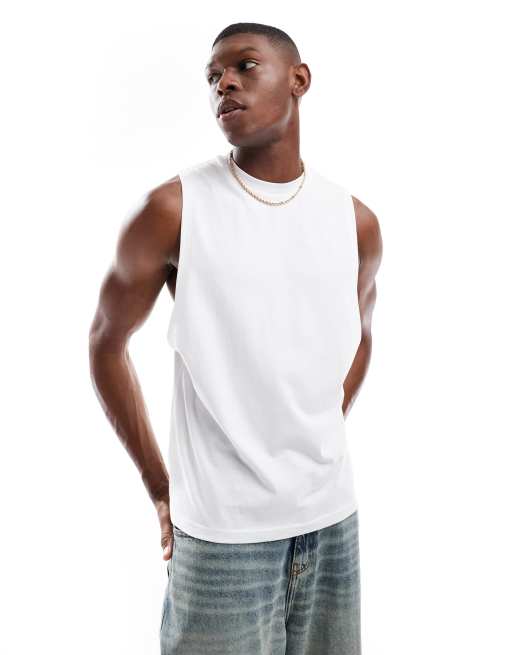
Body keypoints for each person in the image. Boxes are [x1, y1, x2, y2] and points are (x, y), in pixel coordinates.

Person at [89, 21, 382, 655]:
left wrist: (319, 425)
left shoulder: (353, 220)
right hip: (221, 537)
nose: (223, 83)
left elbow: (362, 336)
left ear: (299, 80)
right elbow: (106, 343)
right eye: (213, 76)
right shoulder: (174, 210)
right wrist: (161, 489)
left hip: (332, 522)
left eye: (244, 66)